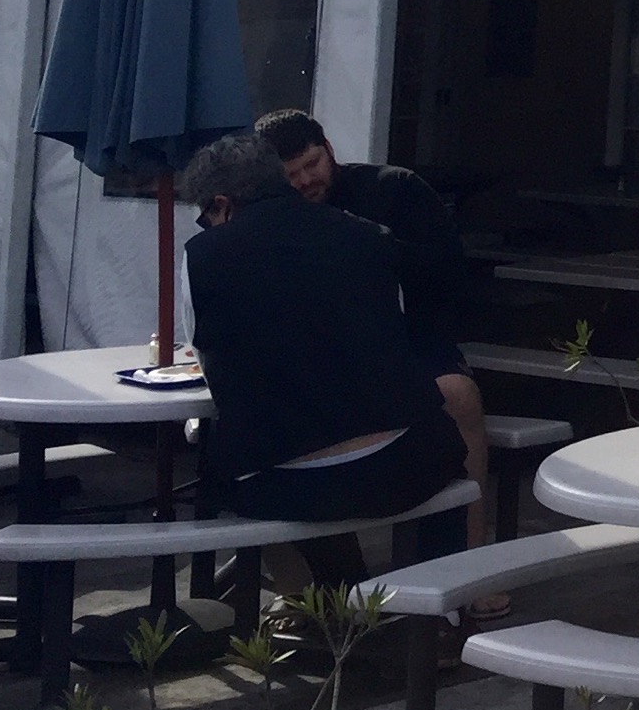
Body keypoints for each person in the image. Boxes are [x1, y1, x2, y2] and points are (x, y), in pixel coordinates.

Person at [177, 133, 465, 592]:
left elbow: (211, 365)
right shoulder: (368, 234)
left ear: (222, 205)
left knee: (230, 473)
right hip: (404, 468)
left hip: (286, 486)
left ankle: (310, 601)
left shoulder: (203, 256)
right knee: (444, 445)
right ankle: (444, 603)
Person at [255, 108, 493, 555]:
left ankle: (466, 561)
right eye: (291, 175)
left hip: (408, 342)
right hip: (312, 357)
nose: (305, 181)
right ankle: (316, 577)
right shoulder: (266, 215)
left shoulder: (393, 188)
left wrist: (367, 242)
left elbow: (451, 276)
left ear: (329, 149)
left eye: (312, 164)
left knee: (459, 396)